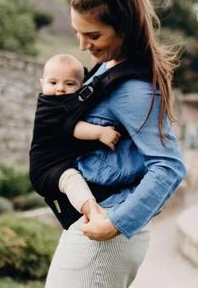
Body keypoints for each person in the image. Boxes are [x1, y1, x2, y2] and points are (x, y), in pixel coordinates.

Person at [39, 0, 186, 288]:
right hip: (86, 224)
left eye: (94, 35)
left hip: (106, 229)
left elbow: (169, 166)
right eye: (78, 33)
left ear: (124, 27)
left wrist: (117, 223)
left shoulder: (132, 88)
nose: (83, 46)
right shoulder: (106, 70)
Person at [30, 53, 128, 219]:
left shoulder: (66, 101)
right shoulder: (48, 107)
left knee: (80, 181)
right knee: (72, 179)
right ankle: (93, 212)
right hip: (46, 170)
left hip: (63, 161)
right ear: (42, 83)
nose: (60, 88)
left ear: (81, 86)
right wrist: (100, 132)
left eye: (69, 84)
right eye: (53, 83)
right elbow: (74, 128)